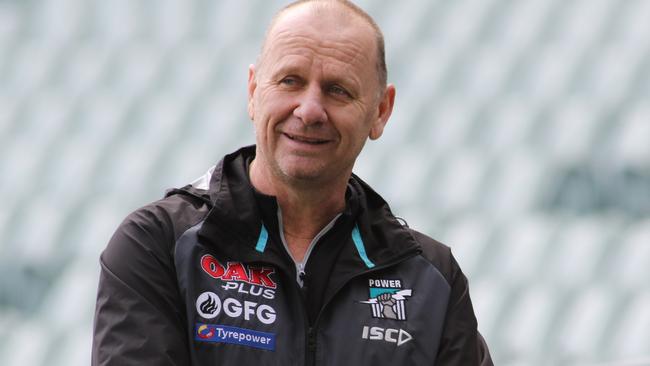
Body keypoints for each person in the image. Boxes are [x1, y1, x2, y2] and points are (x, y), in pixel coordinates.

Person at [91, 0, 493, 365]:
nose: (310, 109)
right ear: (253, 91)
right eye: (290, 81)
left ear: (380, 111)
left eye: (338, 90)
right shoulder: (158, 244)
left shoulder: (431, 278)